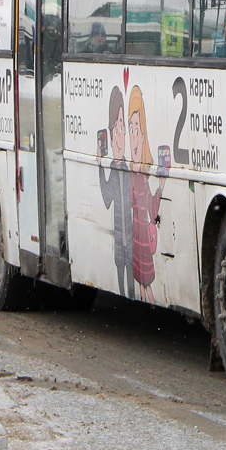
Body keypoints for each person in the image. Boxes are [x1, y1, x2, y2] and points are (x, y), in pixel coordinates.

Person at [128, 85, 165, 304]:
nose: (133, 137)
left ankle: (147, 296)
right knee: (143, 284)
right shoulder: (132, 176)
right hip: (136, 237)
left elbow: (151, 209)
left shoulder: (142, 177)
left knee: (146, 283)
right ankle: (146, 295)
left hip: (142, 238)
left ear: (144, 137)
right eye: (130, 129)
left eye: (136, 130)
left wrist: (160, 188)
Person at [98, 86, 134, 299]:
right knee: (120, 271)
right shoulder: (112, 167)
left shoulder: (129, 170)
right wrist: (101, 167)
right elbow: (107, 198)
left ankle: (129, 293)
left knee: (130, 273)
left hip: (129, 238)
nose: (120, 136)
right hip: (119, 238)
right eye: (116, 129)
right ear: (111, 138)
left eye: (123, 128)